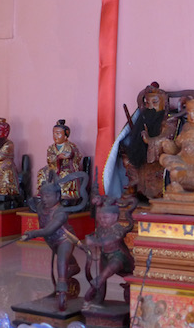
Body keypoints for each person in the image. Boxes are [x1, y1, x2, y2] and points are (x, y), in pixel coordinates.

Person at [103, 82, 194, 200]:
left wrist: (149, 140)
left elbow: (166, 137)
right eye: (147, 103)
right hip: (144, 155)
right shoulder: (144, 118)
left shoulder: (170, 120)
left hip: (160, 157)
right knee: (127, 154)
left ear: (163, 103)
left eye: (155, 103)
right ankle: (133, 186)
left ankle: (160, 191)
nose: (150, 107)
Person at [22, 171, 89, 311]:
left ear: (58, 196)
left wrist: (32, 233)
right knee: (66, 261)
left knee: (61, 263)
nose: (44, 199)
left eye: (48, 196)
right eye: (42, 196)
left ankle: (62, 293)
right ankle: (73, 268)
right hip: (52, 241)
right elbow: (34, 205)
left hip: (64, 239)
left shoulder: (61, 213)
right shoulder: (41, 207)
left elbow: (48, 230)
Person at [84, 195, 136, 306]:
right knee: (102, 275)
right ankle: (98, 298)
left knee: (106, 273)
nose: (102, 220)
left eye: (106, 217)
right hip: (105, 255)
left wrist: (95, 242)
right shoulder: (101, 228)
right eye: (101, 218)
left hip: (119, 257)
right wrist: (98, 204)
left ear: (115, 217)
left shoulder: (118, 229)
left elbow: (109, 241)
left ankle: (96, 284)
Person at [36, 119, 84, 202]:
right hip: (54, 167)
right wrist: (58, 157)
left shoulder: (71, 146)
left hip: (67, 168)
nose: (55, 136)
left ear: (65, 136)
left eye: (58, 134)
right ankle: (43, 193)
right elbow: (49, 159)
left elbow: (77, 157)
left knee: (65, 175)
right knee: (42, 172)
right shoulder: (51, 148)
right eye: (54, 133)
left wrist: (70, 156)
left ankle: (64, 195)